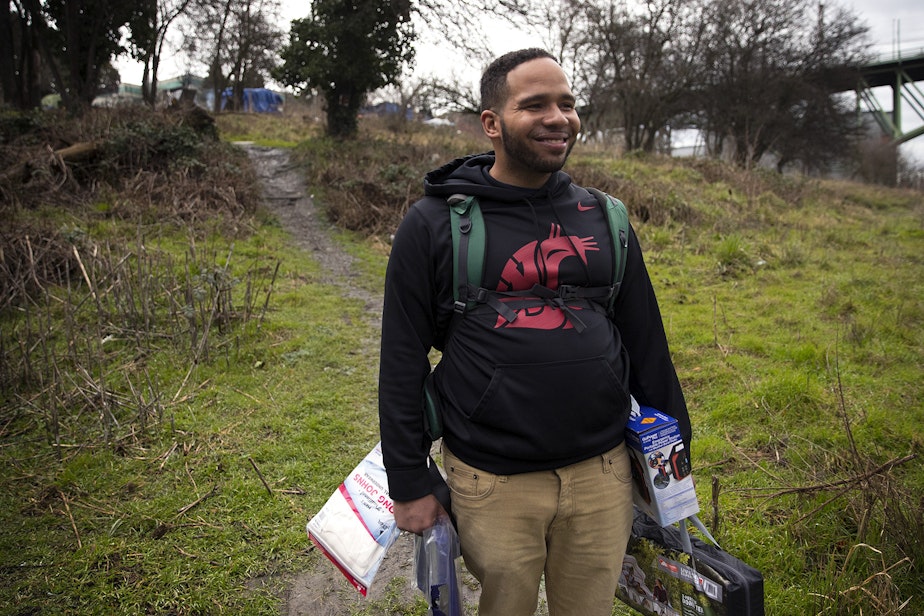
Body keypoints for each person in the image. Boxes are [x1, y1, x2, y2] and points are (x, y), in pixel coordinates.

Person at [378, 48, 691, 616]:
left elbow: (648, 346)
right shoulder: (434, 224)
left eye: (568, 103)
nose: (559, 117)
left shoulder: (606, 218)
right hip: (492, 480)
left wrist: (671, 461)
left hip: (603, 473)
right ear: (492, 123)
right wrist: (409, 480)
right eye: (536, 104)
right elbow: (401, 358)